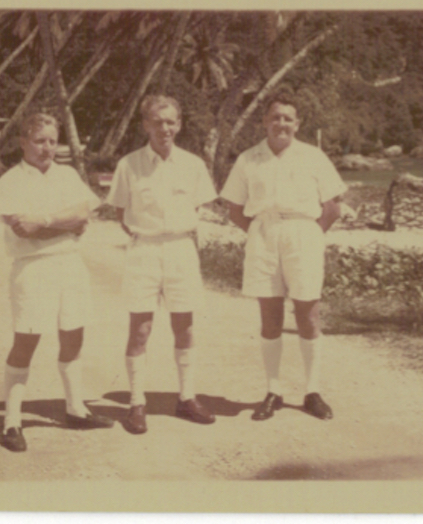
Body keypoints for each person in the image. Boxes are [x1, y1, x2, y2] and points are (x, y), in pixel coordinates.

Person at [220, 92, 347, 421]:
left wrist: (313, 233)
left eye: (288, 118)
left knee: (308, 314)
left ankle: (312, 391)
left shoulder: (313, 156)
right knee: (270, 317)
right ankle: (273, 391)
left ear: (297, 124)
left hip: (303, 234)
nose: (281, 124)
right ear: (264, 121)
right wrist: (260, 232)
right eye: (275, 117)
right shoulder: (249, 159)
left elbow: (333, 206)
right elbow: (234, 209)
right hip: (263, 235)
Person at [0, 113, 114, 452]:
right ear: (23, 142)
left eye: (51, 140)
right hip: (32, 269)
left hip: (70, 265)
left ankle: (76, 410)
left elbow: (84, 215)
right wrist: (66, 223)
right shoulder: (9, 182)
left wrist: (44, 221)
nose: (46, 148)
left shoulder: (68, 175)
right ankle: (11, 423)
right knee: (26, 341)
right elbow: (22, 229)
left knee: (73, 334)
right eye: (39, 140)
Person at [106, 95, 217, 434]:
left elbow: (198, 208)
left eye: (170, 121)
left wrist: (173, 235)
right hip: (144, 250)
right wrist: (149, 235)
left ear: (179, 124)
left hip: (182, 248)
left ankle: (186, 398)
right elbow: (121, 213)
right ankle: (136, 404)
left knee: (184, 327)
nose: (164, 128)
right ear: (145, 125)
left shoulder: (194, 165)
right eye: (157, 121)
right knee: (140, 329)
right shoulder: (129, 165)